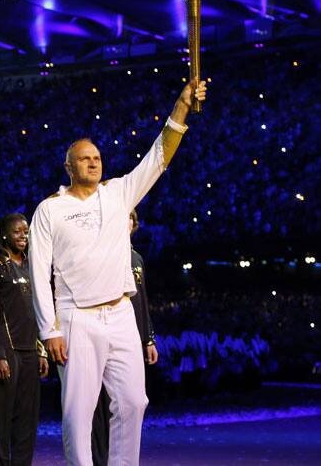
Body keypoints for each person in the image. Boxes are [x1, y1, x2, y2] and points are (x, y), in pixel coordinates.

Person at [29, 81, 207, 465]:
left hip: (121, 312)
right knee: (78, 410)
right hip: (77, 317)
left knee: (133, 401)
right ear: (68, 166)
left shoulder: (118, 194)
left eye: (96, 158)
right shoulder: (49, 210)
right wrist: (50, 331)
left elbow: (159, 156)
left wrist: (180, 107)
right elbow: (39, 273)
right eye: (84, 158)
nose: (93, 162)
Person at [91, 210, 158, 466]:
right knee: (102, 405)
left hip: (131, 338)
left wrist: (148, 338)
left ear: (134, 224)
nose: (124, 222)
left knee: (130, 402)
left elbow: (141, 301)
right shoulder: (104, 253)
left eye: (128, 217)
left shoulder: (137, 258)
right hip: (106, 336)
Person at [0, 214, 49, 466]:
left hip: (30, 352)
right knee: (3, 416)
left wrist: (41, 350)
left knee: (28, 416)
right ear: (4, 236)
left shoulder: (32, 265)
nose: (23, 236)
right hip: (7, 353)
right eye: (17, 232)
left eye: (26, 231)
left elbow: (40, 311)